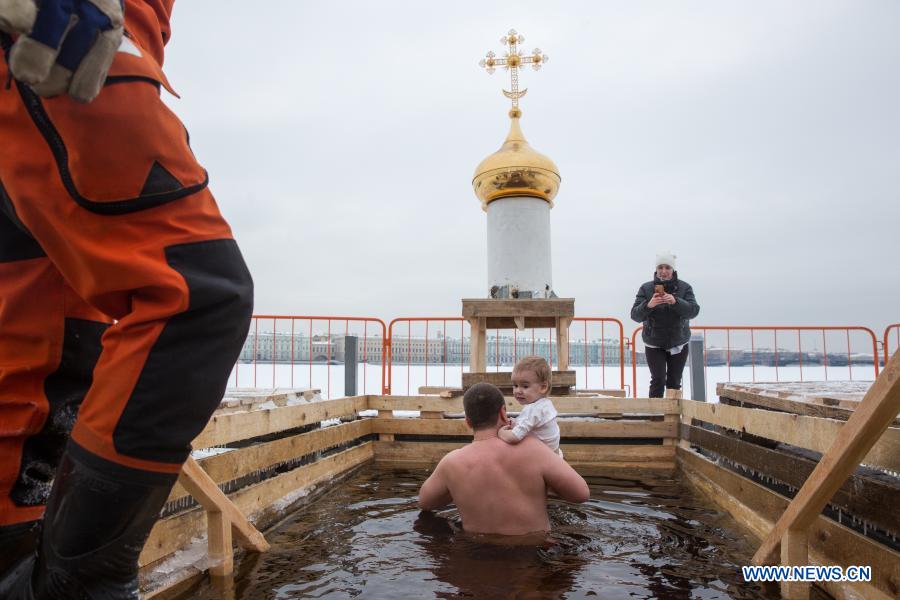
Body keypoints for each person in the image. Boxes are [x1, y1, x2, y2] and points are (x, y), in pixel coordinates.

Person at [0, 2, 253, 598]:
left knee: (44, 327)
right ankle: (82, 581)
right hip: (61, 43)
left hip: (63, 47)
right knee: (196, 292)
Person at [418, 383, 589, 536]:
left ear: (468, 422)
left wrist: (456, 488)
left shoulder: (452, 462)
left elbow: (425, 503)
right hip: (532, 556)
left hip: (475, 556)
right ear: (502, 412)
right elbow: (581, 494)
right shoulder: (533, 448)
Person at [630, 252, 700, 398]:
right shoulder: (646, 288)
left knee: (674, 382)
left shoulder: (685, 288)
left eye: (667, 267)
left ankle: (672, 417)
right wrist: (648, 305)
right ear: (656, 270)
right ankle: (655, 417)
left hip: (679, 342)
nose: (663, 271)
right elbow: (635, 315)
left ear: (672, 270)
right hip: (654, 343)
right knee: (658, 380)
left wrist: (676, 301)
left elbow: (693, 311)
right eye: (660, 267)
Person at [498, 356, 562, 457]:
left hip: (543, 459)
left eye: (525, 386)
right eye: (515, 385)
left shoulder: (533, 410)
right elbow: (532, 427)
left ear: (543, 387)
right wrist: (516, 423)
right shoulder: (545, 404)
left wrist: (500, 433)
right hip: (554, 454)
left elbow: (514, 437)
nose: (518, 391)